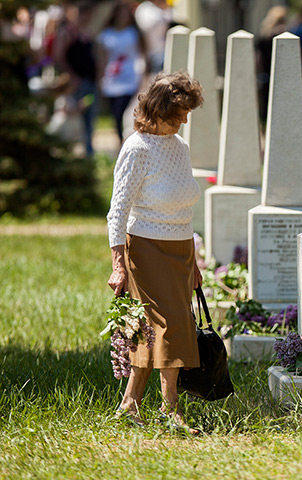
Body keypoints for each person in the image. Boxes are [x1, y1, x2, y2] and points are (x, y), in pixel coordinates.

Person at [107, 71, 205, 433]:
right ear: (156, 110)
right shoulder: (137, 149)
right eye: (175, 116)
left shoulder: (179, 147)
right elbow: (117, 210)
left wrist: (193, 260)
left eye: (185, 116)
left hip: (180, 249)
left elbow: (185, 206)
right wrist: (119, 263)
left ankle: (129, 404)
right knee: (169, 328)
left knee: (150, 330)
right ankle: (171, 410)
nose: (181, 122)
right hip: (145, 249)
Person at [53, 1, 98, 156]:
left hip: (89, 83)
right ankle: (69, 154)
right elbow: (58, 57)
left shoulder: (87, 33)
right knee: (73, 118)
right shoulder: (67, 33)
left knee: (89, 119)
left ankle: (88, 153)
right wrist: (72, 77)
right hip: (75, 85)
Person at [97, 1, 145, 144]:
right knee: (116, 114)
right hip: (112, 78)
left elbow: (142, 54)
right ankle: (120, 141)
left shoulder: (133, 33)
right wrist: (100, 77)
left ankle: (129, 140)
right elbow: (102, 58)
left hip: (131, 77)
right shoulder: (106, 34)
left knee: (127, 111)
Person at [256, 6, 288, 122]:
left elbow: (258, 57)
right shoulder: (283, 34)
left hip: (265, 73)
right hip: (280, 74)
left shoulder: (264, 34)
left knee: (266, 103)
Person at [135, 0, 172, 74]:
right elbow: (147, 25)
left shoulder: (165, 9)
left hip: (164, 53)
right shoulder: (144, 9)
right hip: (152, 53)